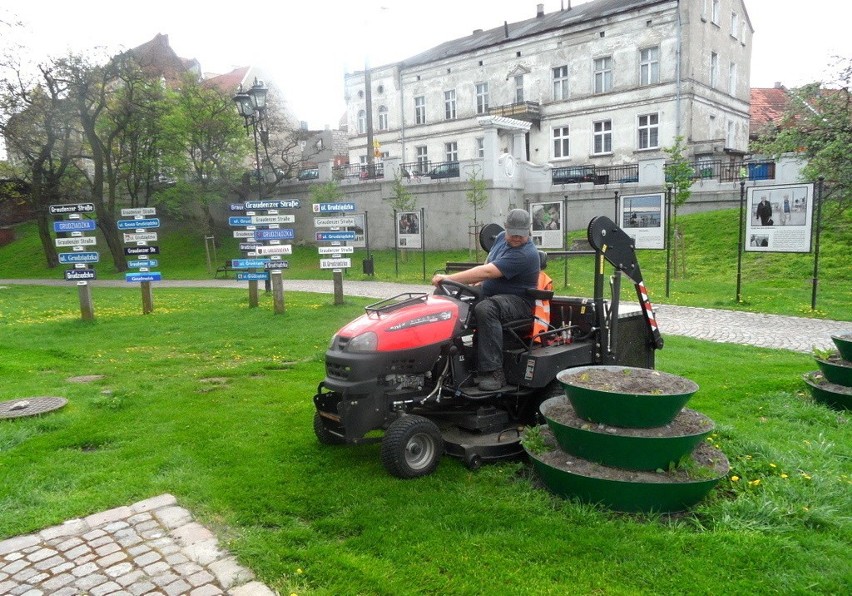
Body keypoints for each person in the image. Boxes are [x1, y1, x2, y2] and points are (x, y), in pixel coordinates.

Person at [431, 209, 540, 390]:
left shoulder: (526, 254)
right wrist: (449, 285)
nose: (516, 238)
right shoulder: (499, 239)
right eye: (513, 234)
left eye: (521, 235)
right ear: (506, 228)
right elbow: (486, 267)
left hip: (519, 302)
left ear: (528, 231)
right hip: (490, 294)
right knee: (443, 295)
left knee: (485, 309)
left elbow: (489, 272)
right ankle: (445, 359)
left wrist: (449, 278)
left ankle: (494, 372)